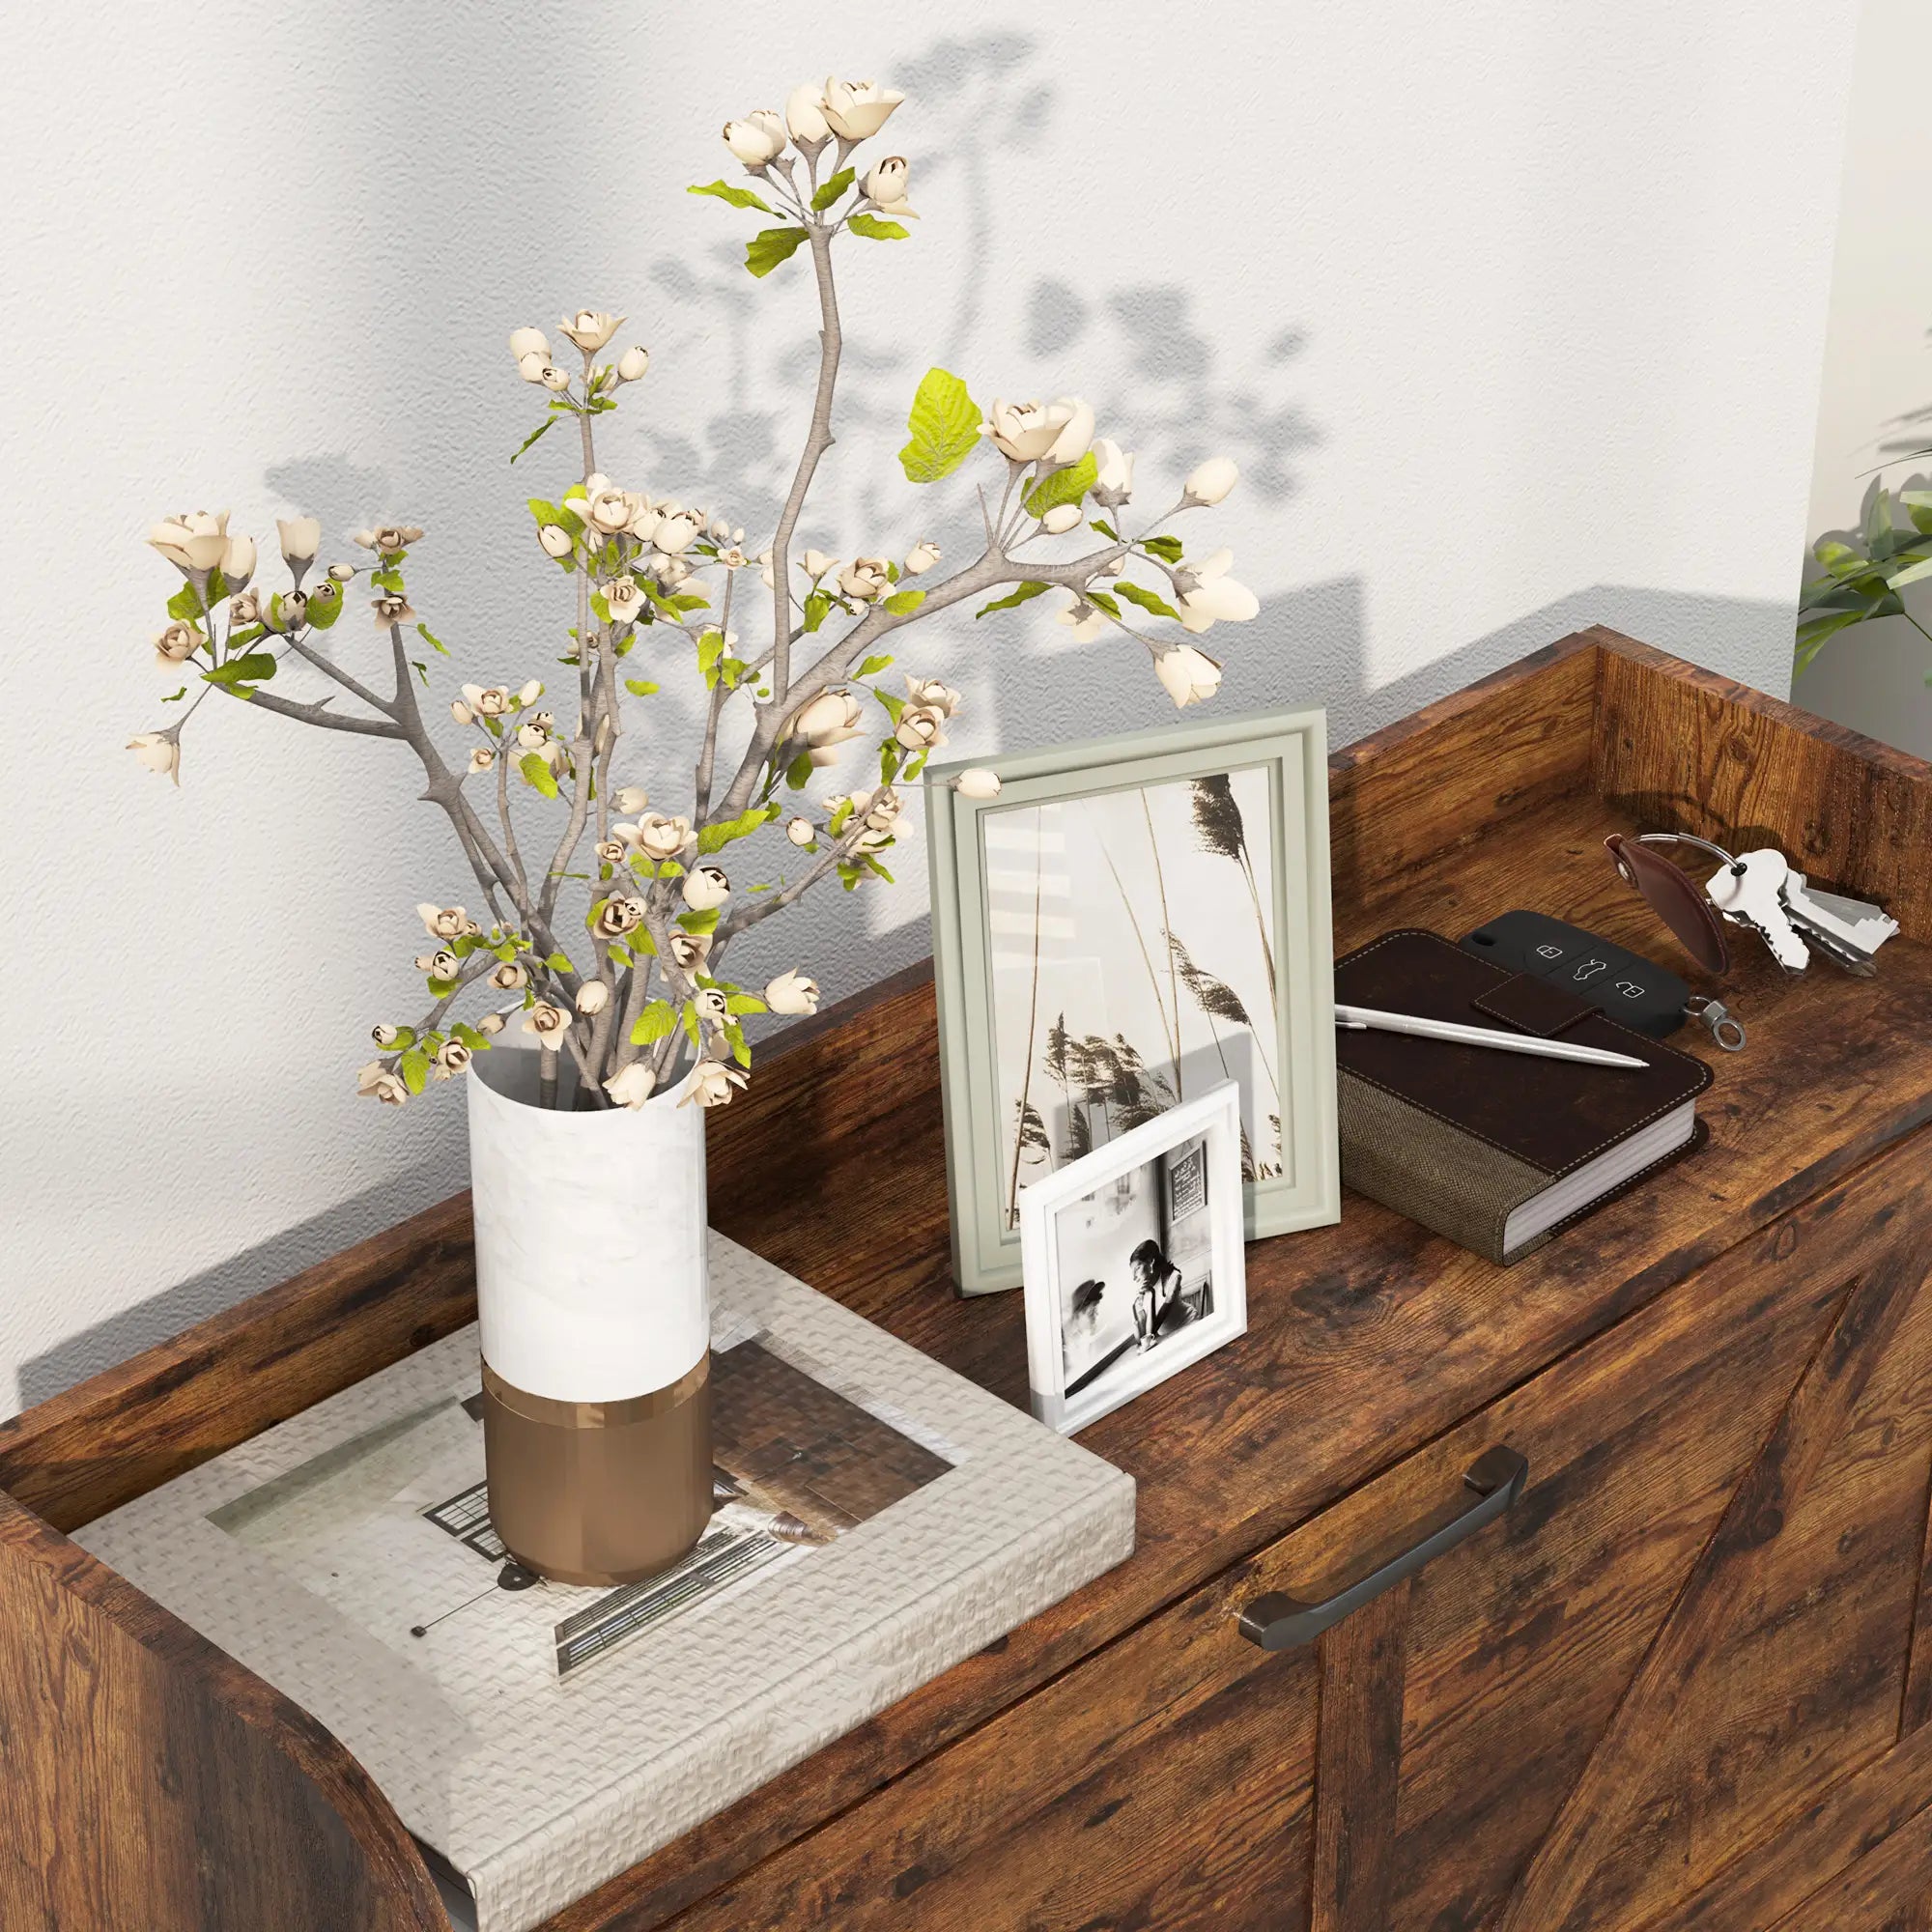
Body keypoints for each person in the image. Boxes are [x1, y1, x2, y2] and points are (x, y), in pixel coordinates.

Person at [1128, 1238, 1182, 1351]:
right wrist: (1134, 1306)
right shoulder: (1145, 1289)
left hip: (1184, 1327)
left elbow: (1152, 1330)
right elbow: (1141, 1338)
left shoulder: (1174, 1277)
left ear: (1151, 1262)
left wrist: (1151, 1294)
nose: (1134, 1277)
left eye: (1137, 1269)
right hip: (1165, 1338)